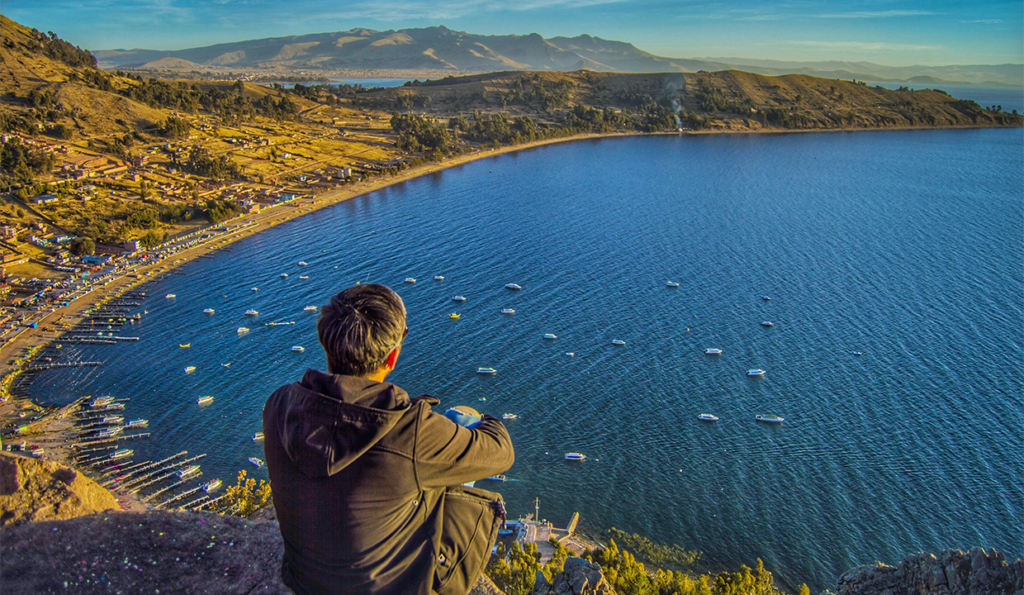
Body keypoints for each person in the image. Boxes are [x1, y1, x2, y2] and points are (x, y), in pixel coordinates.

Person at [263, 283, 514, 595]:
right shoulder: (411, 431)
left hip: (307, 582)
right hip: (396, 588)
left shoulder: (279, 405)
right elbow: (501, 453)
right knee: (462, 420)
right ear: (393, 356)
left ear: (325, 342)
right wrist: (483, 420)